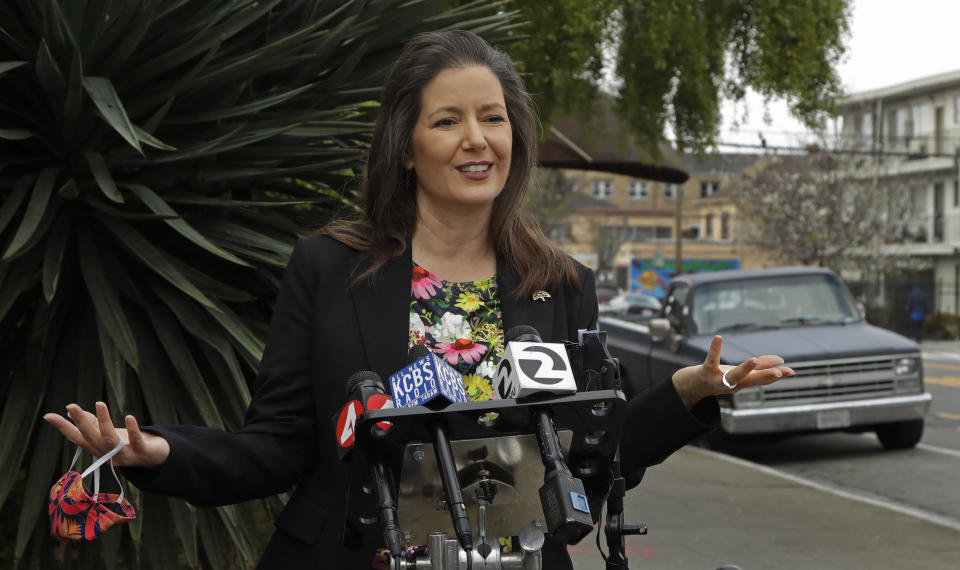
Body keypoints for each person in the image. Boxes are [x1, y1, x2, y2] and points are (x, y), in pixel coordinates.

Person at [43, 30, 793, 569]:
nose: (478, 139)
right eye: (448, 120)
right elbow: (275, 448)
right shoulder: (329, 268)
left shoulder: (559, 282)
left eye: (492, 117)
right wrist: (157, 452)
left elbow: (590, 460)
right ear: (406, 145)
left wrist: (688, 395)